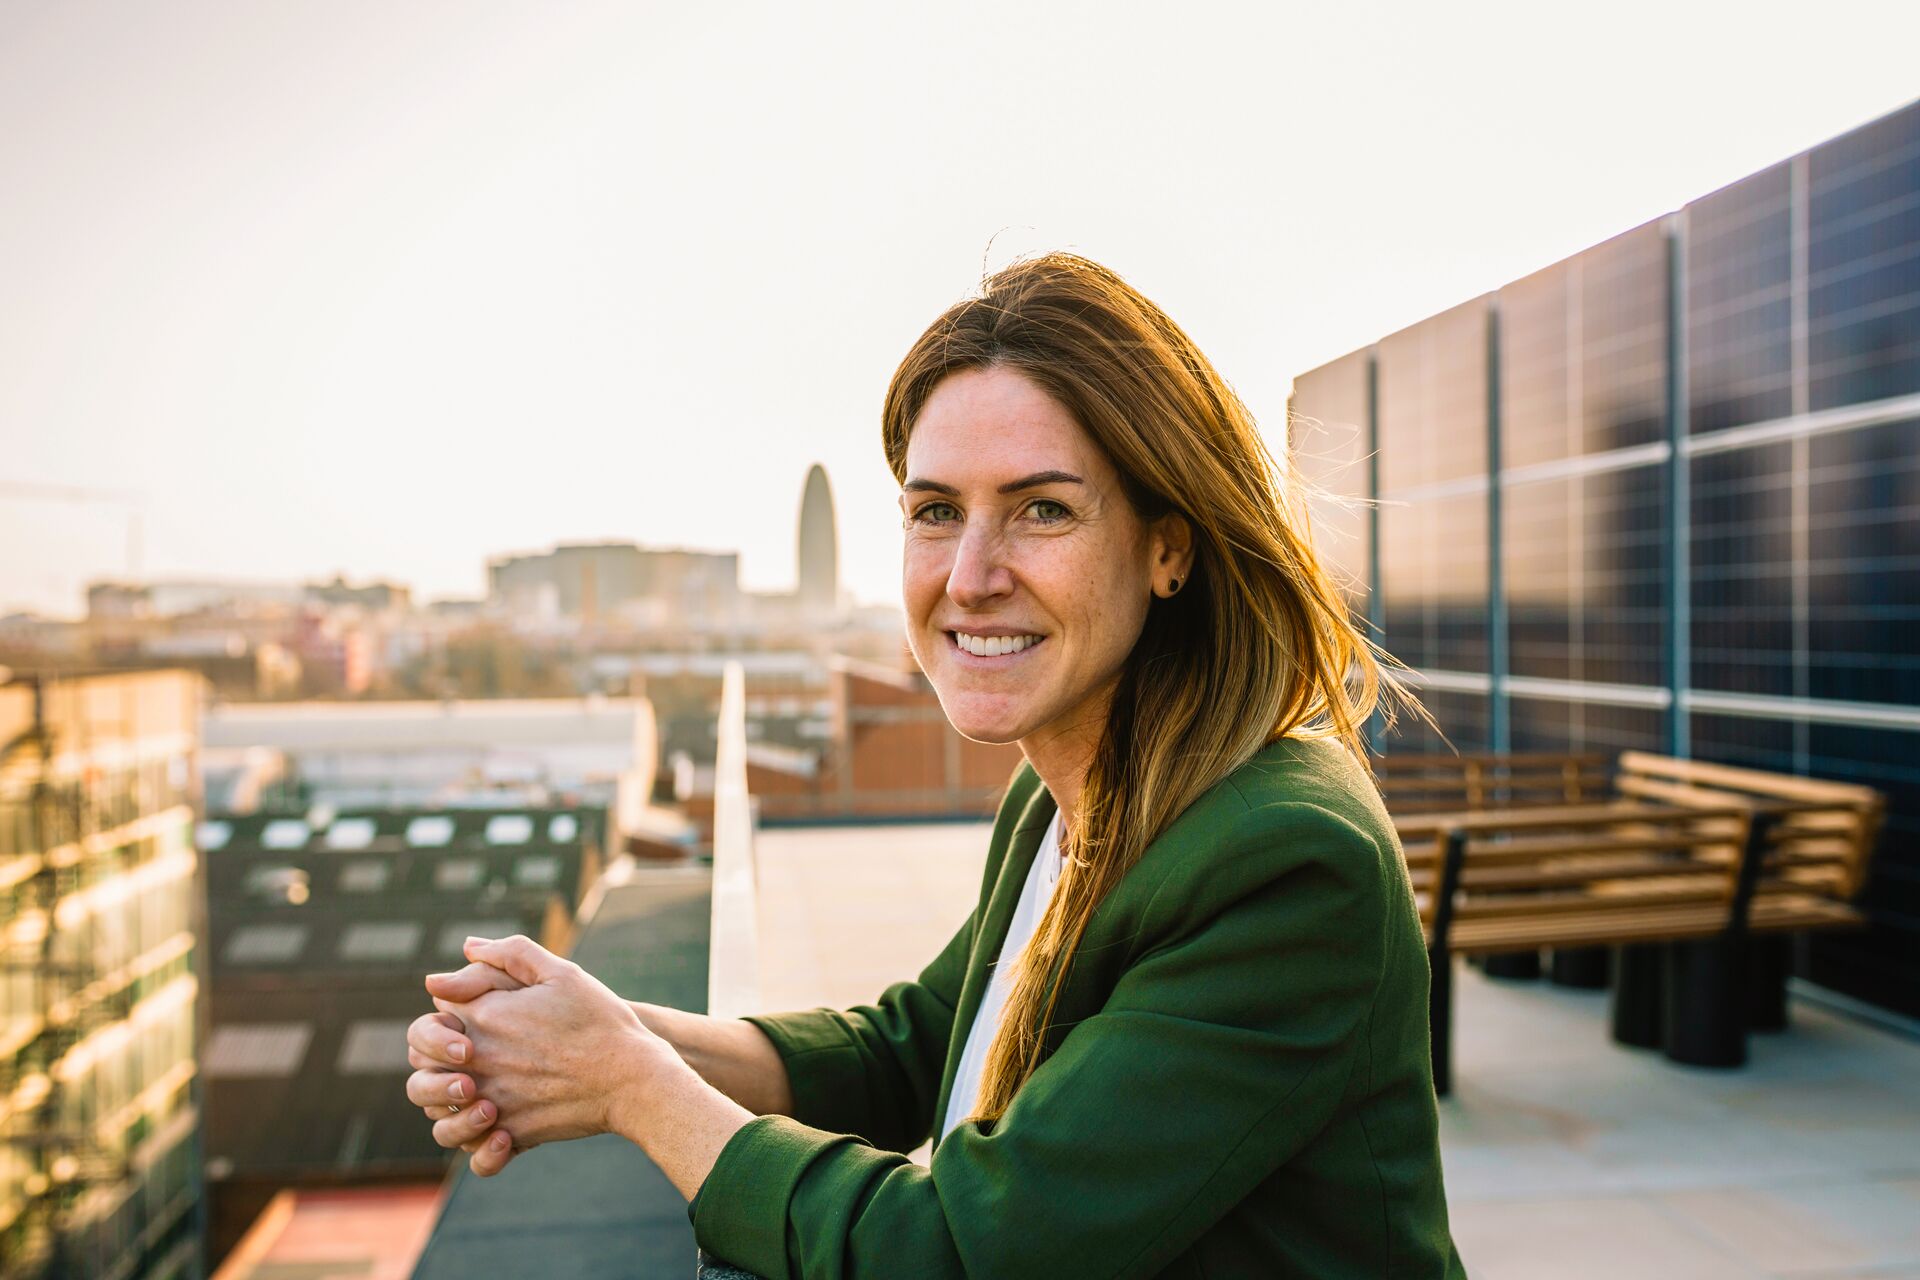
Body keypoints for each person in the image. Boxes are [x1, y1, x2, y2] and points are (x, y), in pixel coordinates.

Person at [406, 252, 1468, 1278]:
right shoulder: (1066, 785)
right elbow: (912, 1050)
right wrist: (608, 1029)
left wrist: (634, 1086)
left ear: (1169, 546)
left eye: (1041, 508)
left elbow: (959, 1252)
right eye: (936, 511)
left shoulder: (1285, 860)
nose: (970, 576)